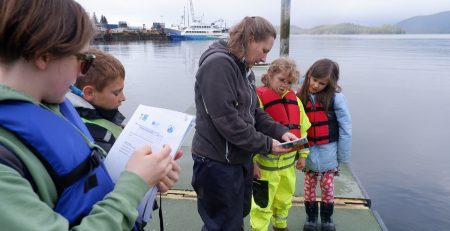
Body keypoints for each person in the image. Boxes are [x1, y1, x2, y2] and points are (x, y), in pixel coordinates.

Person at [0, 0, 181, 230]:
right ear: (44, 55)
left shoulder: (53, 108)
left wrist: (148, 177)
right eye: (84, 61)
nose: (80, 75)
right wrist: (134, 184)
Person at [191, 16, 299, 231]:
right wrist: (268, 145)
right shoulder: (218, 65)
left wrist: (280, 131)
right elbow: (228, 121)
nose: (265, 58)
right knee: (223, 224)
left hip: (238, 160)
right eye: (264, 50)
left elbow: (254, 112)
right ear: (250, 39)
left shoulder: (244, 67)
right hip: (216, 162)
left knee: (236, 216)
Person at [250, 57, 311, 231]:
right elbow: (250, 133)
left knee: (284, 200)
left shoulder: (296, 101)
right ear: (270, 75)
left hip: (288, 168)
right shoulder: (257, 100)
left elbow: (304, 129)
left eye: (289, 82)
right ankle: (259, 229)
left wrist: (303, 155)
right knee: (261, 205)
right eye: (281, 80)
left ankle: (280, 226)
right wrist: (251, 161)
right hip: (264, 170)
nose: (285, 85)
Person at [296, 59, 352, 231]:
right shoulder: (300, 95)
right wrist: (298, 154)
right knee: (309, 187)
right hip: (309, 154)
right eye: (314, 80)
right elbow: (295, 126)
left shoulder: (336, 98)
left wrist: (342, 156)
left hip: (329, 154)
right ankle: (311, 218)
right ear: (309, 75)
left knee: (328, 188)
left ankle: (327, 218)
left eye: (322, 83)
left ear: (330, 83)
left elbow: (346, 128)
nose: (316, 85)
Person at [67, 48, 126, 153]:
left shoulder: (68, 111)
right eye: (116, 93)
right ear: (89, 93)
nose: (124, 98)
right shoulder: (95, 137)